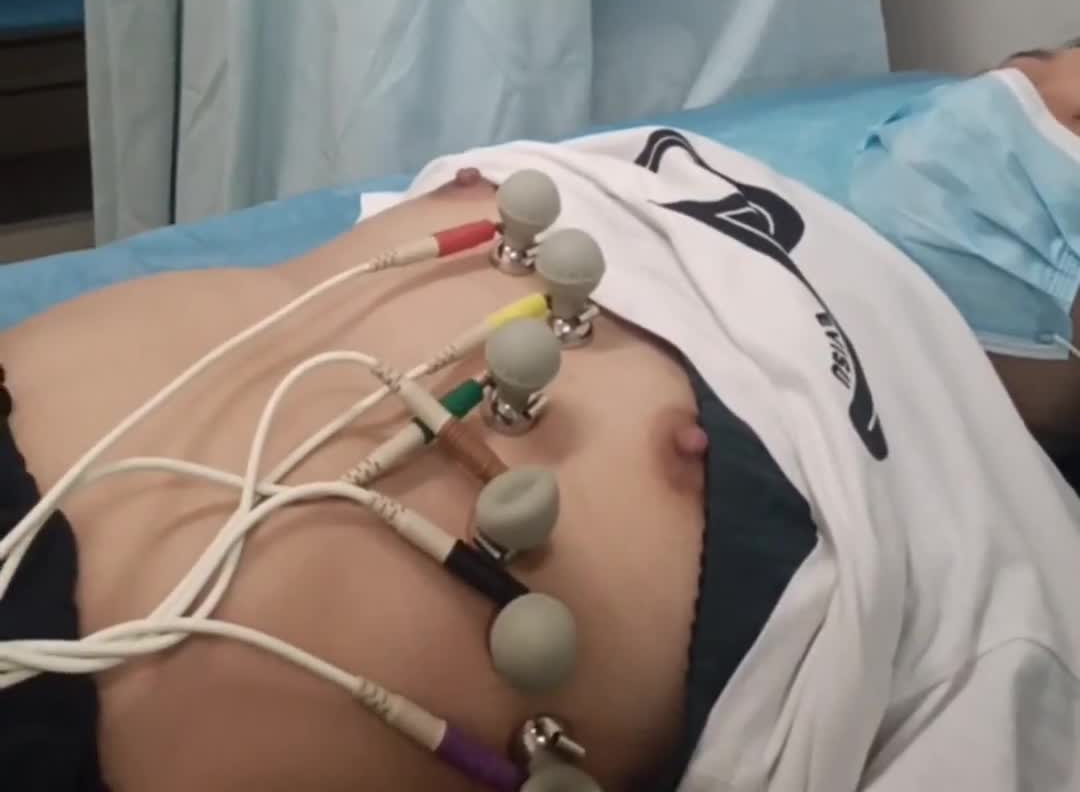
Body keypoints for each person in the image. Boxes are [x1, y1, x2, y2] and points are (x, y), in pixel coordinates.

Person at [3, 49, 1080, 792]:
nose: (1033, 102)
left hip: (61, 704)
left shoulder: (1014, 566)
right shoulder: (683, 167)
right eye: (1039, 69)